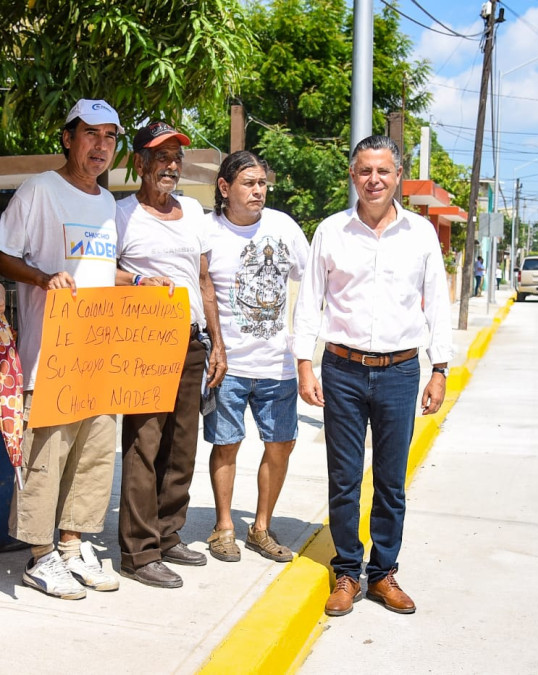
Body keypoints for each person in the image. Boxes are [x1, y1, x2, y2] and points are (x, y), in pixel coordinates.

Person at [293, 135, 452, 617]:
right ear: (352, 176)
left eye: (383, 171)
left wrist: (439, 368)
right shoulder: (331, 231)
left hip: (401, 371)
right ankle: (346, 571)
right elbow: (310, 301)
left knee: (390, 481)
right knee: (342, 478)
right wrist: (305, 362)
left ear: (398, 175)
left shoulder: (420, 234)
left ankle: (383, 573)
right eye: (364, 171)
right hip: (341, 368)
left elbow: (438, 303)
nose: (374, 180)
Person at [0, 99, 123, 599]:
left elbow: (102, 269)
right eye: (90, 134)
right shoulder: (39, 190)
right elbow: (4, 253)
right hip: (50, 352)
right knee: (46, 454)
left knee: (94, 455)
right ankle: (39, 554)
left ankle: (72, 545)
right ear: (68, 138)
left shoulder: (107, 203)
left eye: (110, 137)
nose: (100, 145)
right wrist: (43, 277)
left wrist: (137, 279)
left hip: (100, 355)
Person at [115, 121, 227, 588]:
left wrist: (217, 340)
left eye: (176, 158)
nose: (171, 166)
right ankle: (138, 554)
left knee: (181, 446)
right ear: (139, 163)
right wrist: (139, 282)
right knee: (144, 445)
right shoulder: (120, 214)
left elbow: (203, 280)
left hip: (191, 340)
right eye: (160, 157)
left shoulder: (194, 212)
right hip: (143, 341)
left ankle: (167, 534)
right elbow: (102, 275)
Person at [204, 151, 310, 564]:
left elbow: (314, 279)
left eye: (262, 183)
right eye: (249, 183)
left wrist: (302, 349)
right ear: (225, 187)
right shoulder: (208, 231)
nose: (258, 190)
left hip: (276, 365)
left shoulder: (283, 226)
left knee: (281, 444)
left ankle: (261, 528)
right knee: (226, 445)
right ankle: (224, 527)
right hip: (227, 365)